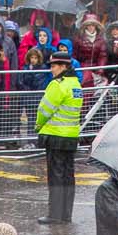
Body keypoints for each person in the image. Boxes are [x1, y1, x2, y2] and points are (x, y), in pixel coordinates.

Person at [34, 52, 82, 223]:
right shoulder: (75, 84)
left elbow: (44, 110)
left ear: (63, 67)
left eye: (54, 66)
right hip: (70, 136)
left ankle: (55, 214)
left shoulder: (57, 85)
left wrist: (38, 125)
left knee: (56, 178)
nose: (51, 69)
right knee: (68, 177)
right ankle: (66, 214)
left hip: (55, 136)